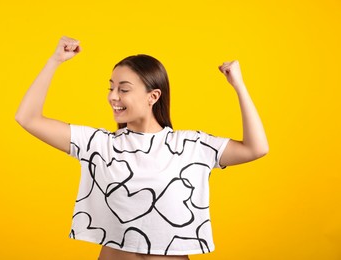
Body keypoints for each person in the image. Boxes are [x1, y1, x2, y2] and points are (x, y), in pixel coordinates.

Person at [15, 36, 269, 260]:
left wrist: (239, 86)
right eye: (111, 87)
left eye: (123, 89)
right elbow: (28, 118)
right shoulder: (98, 144)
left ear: (153, 96)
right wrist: (54, 61)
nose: (113, 96)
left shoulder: (192, 146)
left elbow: (256, 148)